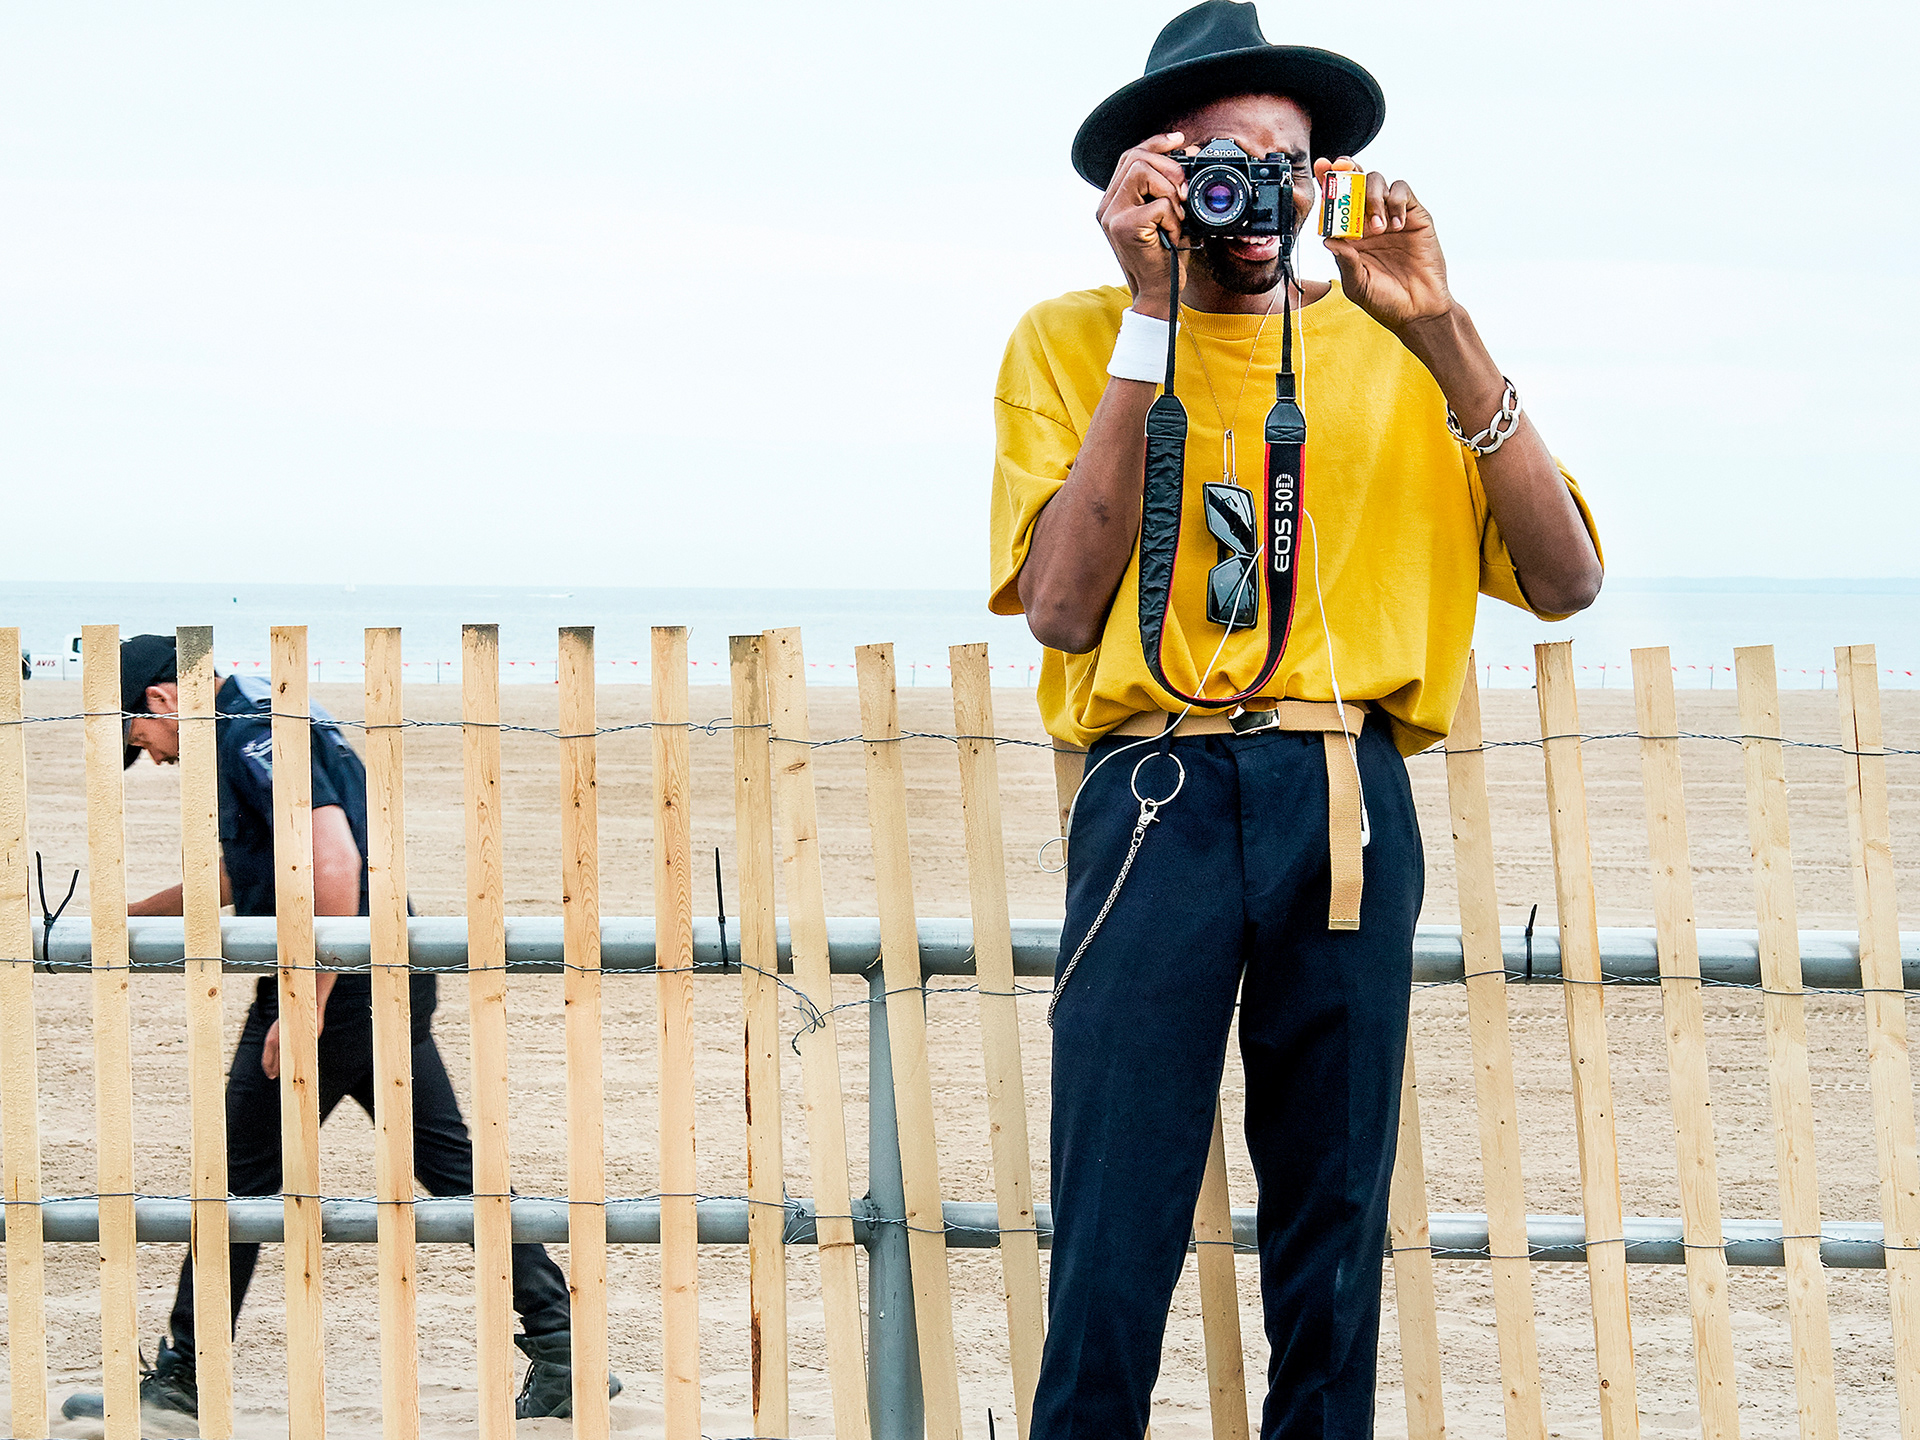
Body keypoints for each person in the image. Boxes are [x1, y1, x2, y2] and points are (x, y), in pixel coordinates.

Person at [990, 4, 1602, 1435]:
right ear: (1152, 178)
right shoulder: (1074, 339)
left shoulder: (1401, 345)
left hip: (1346, 793)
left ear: (1330, 181)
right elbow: (1067, 609)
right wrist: (1152, 318)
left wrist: (1445, 328)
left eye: (1284, 165)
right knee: (1112, 1207)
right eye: (1214, 161)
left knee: (1333, 1217)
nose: (1247, 195)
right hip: (1152, 792)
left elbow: (1567, 579)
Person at [61, 634, 618, 1423]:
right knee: (452, 1168)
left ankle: (181, 1385)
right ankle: (567, 1355)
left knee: (238, 1183)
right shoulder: (267, 713)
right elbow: (249, 869)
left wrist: (304, 999)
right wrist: (131, 915)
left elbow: (332, 864)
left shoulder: (247, 731)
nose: (152, 759)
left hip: (338, 986)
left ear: (159, 700)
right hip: (385, 973)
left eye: (140, 742)